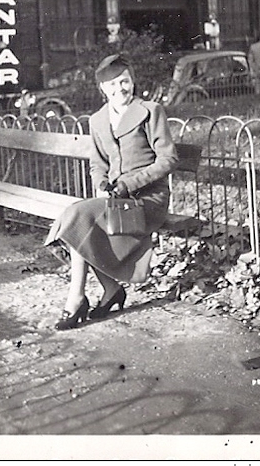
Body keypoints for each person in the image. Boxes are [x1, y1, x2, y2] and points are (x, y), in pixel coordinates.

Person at [45, 53, 179, 330]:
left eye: (125, 82)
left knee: (78, 217)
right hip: (115, 199)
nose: (121, 89)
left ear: (133, 82)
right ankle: (105, 291)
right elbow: (97, 164)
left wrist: (129, 184)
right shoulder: (97, 120)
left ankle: (77, 298)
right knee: (77, 220)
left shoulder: (150, 111)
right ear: (103, 89)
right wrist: (101, 186)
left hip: (147, 199)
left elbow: (168, 160)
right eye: (114, 85)